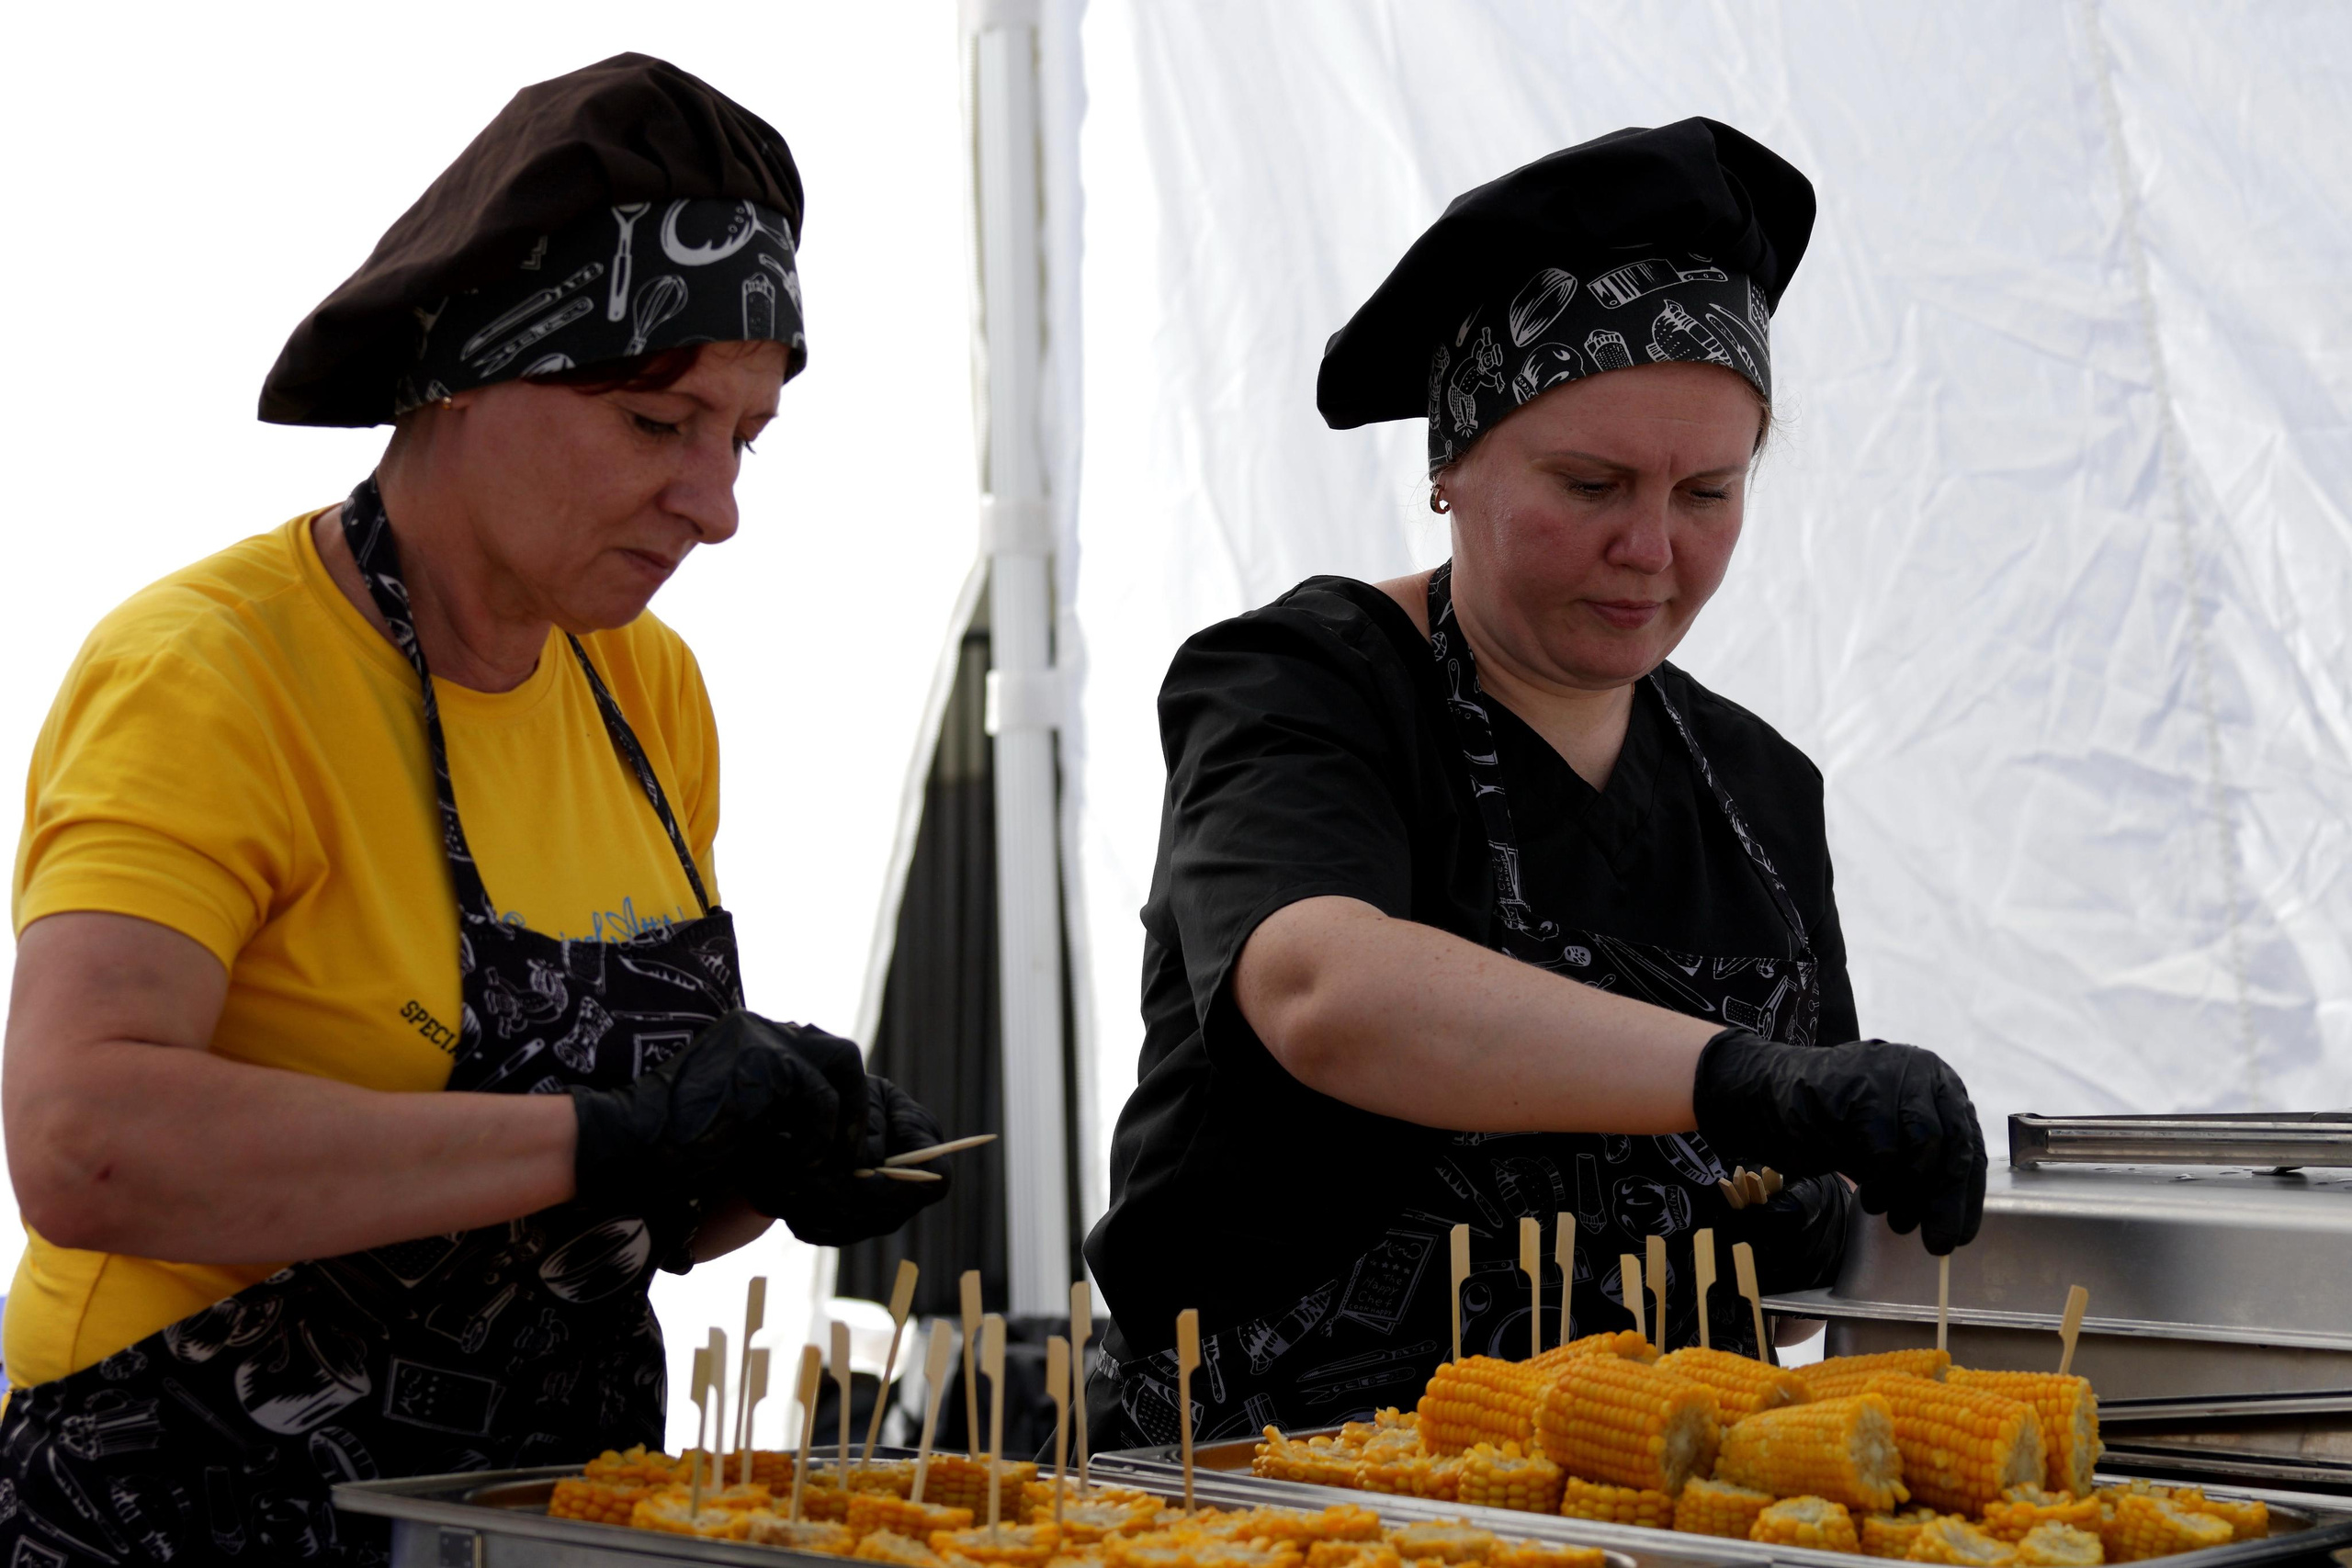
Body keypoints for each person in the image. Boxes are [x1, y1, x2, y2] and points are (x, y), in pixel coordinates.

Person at [0, 54, 945, 1561]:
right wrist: (608, 1139)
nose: (718, 504)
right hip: (193, 1502)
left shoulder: (650, 694)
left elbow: (618, 1203)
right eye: (659, 424)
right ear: (471, 373)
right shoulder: (211, 671)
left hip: (534, 1520)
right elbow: (83, 1138)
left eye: (743, 440)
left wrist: (763, 1155)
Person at [1084, 119, 1987, 1447]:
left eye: (1709, 493)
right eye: (1590, 482)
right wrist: (1740, 1078)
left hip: (1656, 1505)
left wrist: (1828, 1195)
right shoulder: (1304, 684)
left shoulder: (1758, 789)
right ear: (1451, 464)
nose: (1649, 547)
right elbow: (1320, 989)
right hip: (1274, 1489)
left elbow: (1788, 1237)